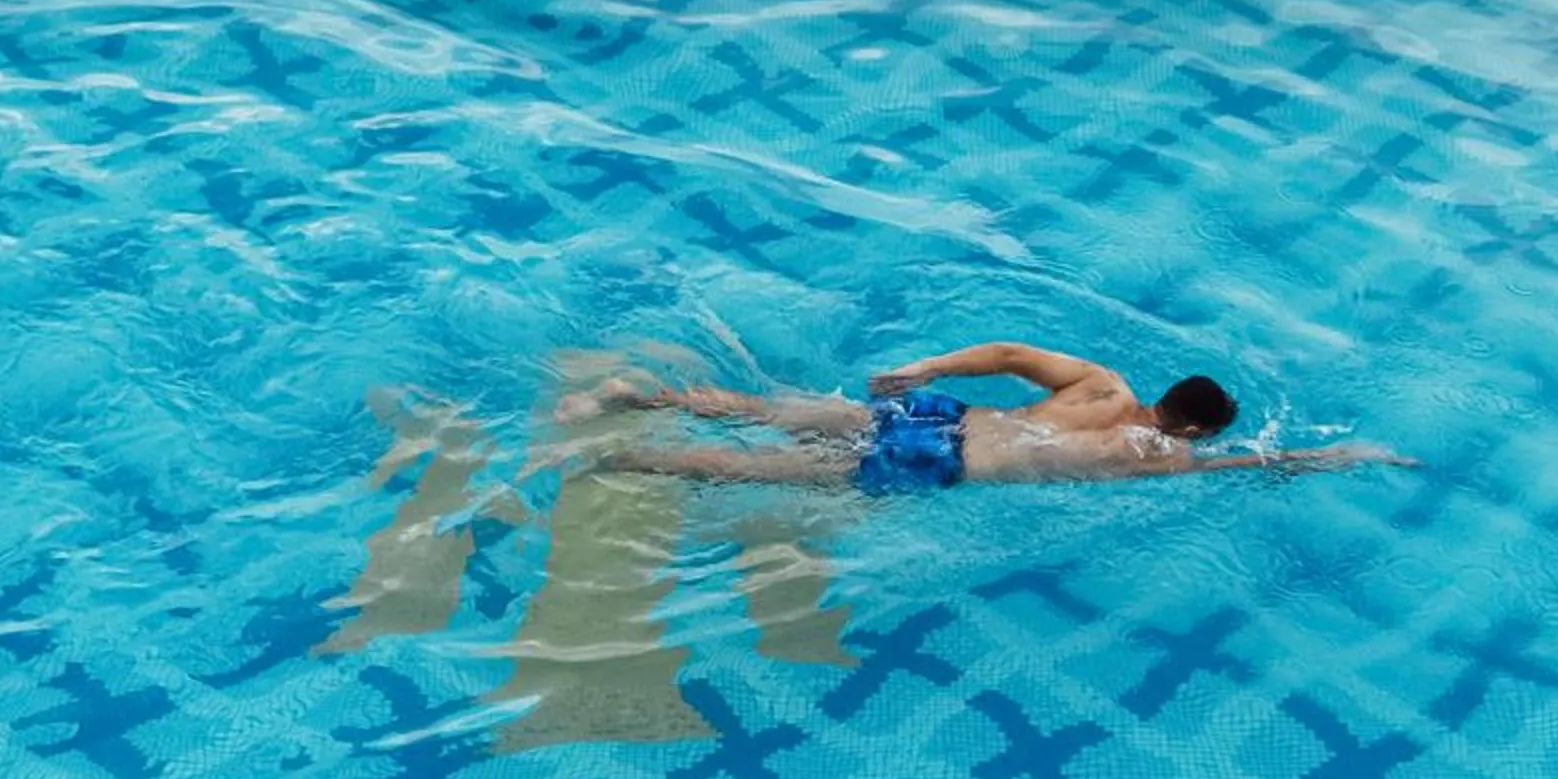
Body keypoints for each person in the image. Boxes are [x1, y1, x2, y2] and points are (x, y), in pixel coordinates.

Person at [556, 342, 1411, 493]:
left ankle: (631, 396)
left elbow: (1006, 353)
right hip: (941, 469)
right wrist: (1341, 454)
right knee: (756, 471)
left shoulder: (1104, 386)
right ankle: (623, 463)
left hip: (944, 414)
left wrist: (924, 367)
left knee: (766, 410)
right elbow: (1254, 467)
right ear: (1192, 428)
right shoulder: (1161, 461)